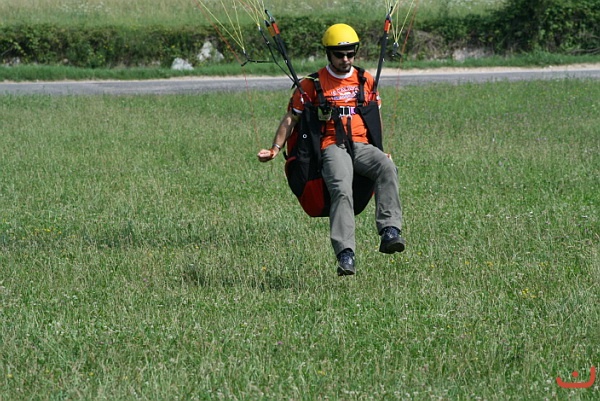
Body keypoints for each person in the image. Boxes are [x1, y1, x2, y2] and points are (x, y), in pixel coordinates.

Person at [257, 23, 405, 276]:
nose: (345, 59)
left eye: (350, 54)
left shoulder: (365, 79)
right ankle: (346, 253)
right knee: (341, 188)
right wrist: (274, 148)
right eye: (339, 54)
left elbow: (374, 116)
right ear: (328, 54)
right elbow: (292, 118)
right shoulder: (312, 84)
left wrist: (380, 149)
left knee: (387, 167)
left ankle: (390, 230)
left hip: (361, 145)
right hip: (331, 146)